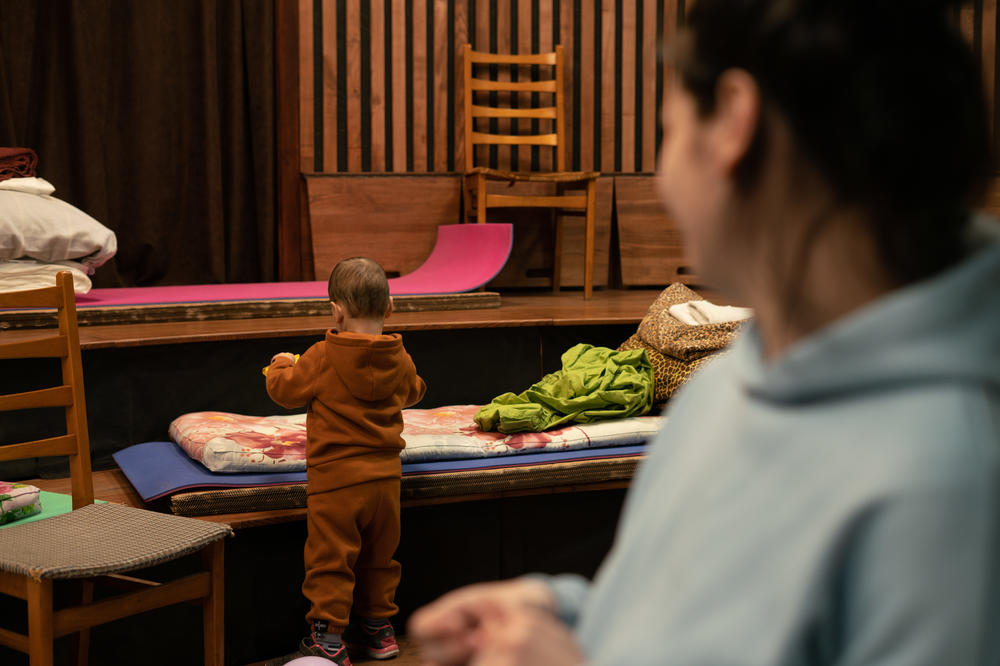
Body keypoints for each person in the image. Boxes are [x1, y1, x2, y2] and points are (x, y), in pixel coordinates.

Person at [408, 1, 1000, 664]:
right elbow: (691, 614)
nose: (662, 179)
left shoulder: (947, 486)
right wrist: (561, 610)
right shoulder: (731, 381)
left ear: (732, 124)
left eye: (668, 129)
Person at [265, 257, 426, 666]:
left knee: (330, 560)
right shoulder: (400, 357)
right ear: (389, 308)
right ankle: (380, 632)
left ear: (336, 310)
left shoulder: (320, 355)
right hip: (386, 482)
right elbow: (415, 391)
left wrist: (282, 364)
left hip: (335, 484)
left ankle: (328, 640)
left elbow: (285, 390)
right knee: (380, 557)